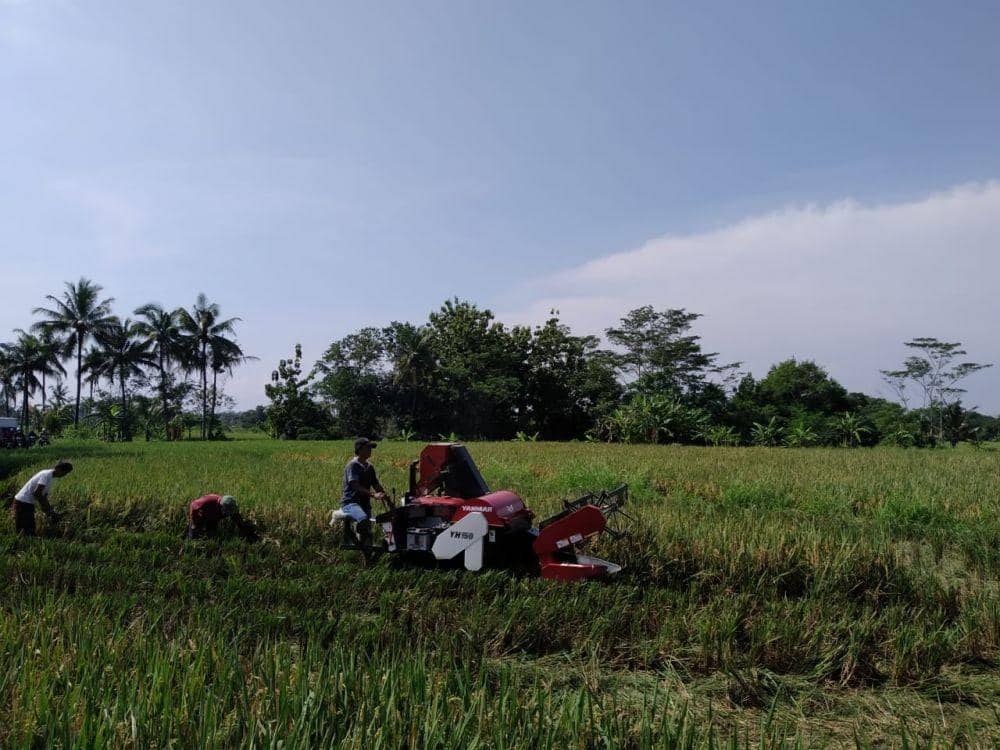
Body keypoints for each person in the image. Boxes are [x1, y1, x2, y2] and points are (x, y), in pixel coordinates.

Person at [340, 437, 387, 544]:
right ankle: (353, 537)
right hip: (351, 503)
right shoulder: (353, 465)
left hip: (365, 505)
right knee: (364, 520)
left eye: (371, 448)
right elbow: (355, 486)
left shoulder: (369, 467)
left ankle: (364, 549)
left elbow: (376, 485)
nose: (370, 450)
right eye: (368, 448)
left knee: (367, 533)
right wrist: (373, 495)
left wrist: (386, 497)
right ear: (359, 449)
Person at [11, 460, 73, 535]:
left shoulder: (50, 478)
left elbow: (44, 497)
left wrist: (50, 511)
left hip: (27, 503)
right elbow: (37, 493)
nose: (64, 475)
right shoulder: (46, 475)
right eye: (64, 472)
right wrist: (47, 510)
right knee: (25, 531)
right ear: (58, 468)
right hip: (22, 503)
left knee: (30, 530)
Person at [186, 494, 258, 540]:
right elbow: (193, 505)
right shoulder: (208, 501)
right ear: (222, 507)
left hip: (214, 517)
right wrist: (194, 522)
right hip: (203, 515)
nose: (228, 514)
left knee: (212, 535)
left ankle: (210, 547)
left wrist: (246, 530)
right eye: (227, 512)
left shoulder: (231, 505)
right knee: (194, 536)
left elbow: (238, 520)